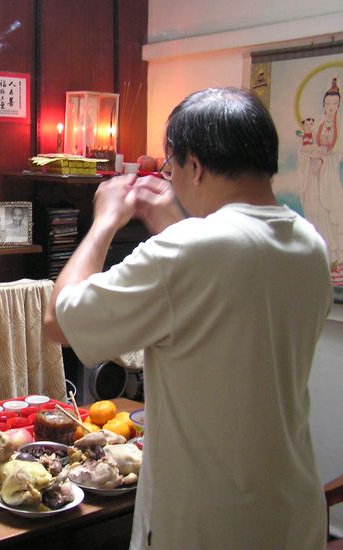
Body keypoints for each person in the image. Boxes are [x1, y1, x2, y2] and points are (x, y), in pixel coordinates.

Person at [44, 87, 331, 550]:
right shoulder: (309, 243)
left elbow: (59, 321)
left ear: (194, 166)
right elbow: (223, 284)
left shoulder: (186, 251)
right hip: (291, 514)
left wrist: (104, 221)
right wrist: (175, 225)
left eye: (171, 166)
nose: (170, 178)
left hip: (206, 524)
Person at [297, 76, 343, 277]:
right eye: (327, 103)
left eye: (335, 103)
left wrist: (326, 158)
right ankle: (318, 257)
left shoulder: (340, 129)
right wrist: (312, 154)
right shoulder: (317, 127)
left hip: (328, 180)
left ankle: (334, 260)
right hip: (314, 180)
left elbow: (338, 152)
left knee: (329, 216)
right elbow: (304, 149)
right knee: (315, 215)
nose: (331, 107)